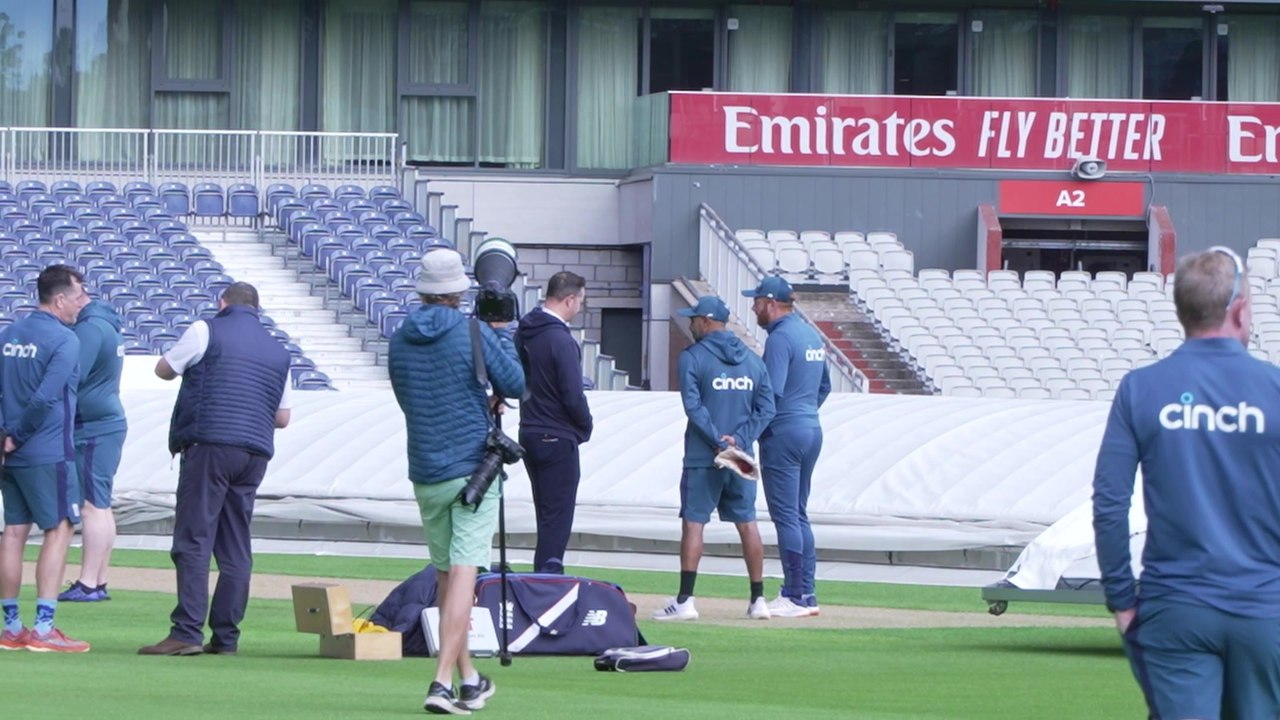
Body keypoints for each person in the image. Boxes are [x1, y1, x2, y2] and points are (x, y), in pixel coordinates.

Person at [1094, 246, 1280, 719]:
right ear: (1239, 310)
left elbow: (1110, 503)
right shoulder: (1274, 389)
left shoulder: (1141, 388)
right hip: (1264, 608)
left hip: (1175, 607)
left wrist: (1120, 600)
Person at [389, 250, 524, 715]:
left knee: (448, 576)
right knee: (464, 576)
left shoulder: (400, 338)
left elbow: (413, 397)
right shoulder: (476, 332)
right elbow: (517, 383)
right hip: (472, 468)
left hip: (425, 468)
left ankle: (469, 680)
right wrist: (501, 335)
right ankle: (441, 682)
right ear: (458, 292)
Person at [138, 282, 292, 657]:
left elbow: (164, 370)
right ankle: (226, 637)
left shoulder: (206, 329)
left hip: (209, 444)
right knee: (235, 544)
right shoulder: (279, 351)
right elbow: (283, 417)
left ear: (222, 303)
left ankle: (186, 631)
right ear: (257, 308)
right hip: (254, 452)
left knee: (193, 538)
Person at [652, 295, 775, 622]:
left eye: (694, 319)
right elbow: (767, 409)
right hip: (740, 457)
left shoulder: (692, 357)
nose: (690, 323)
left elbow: (693, 407)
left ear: (706, 322)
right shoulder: (753, 361)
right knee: (747, 523)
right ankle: (758, 599)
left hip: (702, 455)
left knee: (694, 523)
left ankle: (685, 601)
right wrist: (740, 440)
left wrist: (717, 440)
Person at [0, 265, 91, 652]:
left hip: (10, 452)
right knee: (59, 529)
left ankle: (10, 626)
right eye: (77, 297)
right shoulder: (65, 340)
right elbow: (45, 397)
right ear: (59, 300)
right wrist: (18, 436)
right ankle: (43, 629)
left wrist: (5, 436)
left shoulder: (9, 334)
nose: (80, 304)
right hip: (47, 450)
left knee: (13, 532)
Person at [743, 276, 830, 619]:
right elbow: (825, 386)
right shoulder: (810, 333)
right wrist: (803, 412)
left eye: (756, 302)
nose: (753, 308)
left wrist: (750, 434)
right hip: (810, 427)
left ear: (770, 303)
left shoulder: (780, 339)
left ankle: (795, 594)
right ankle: (806, 592)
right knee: (799, 513)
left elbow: (770, 394)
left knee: (785, 517)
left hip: (784, 432)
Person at [516, 271, 592, 574]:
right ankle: (546, 586)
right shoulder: (561, 340)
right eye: (580, 301)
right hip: (557, 434)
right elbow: (572, 394)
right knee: (557, 520)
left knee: (545, 515)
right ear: (570, 299)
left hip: (529, 429)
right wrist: (585, 426)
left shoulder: (524, 332)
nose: (580, 308)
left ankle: (542, 580)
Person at [59, 300, 127, 603]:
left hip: (93, 426)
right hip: (107, 422)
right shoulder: (108, 325)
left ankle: (88, 583)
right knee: (101, 503)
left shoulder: (89, 328)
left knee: (91, 505)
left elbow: (72, 375)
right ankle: (97, 580)